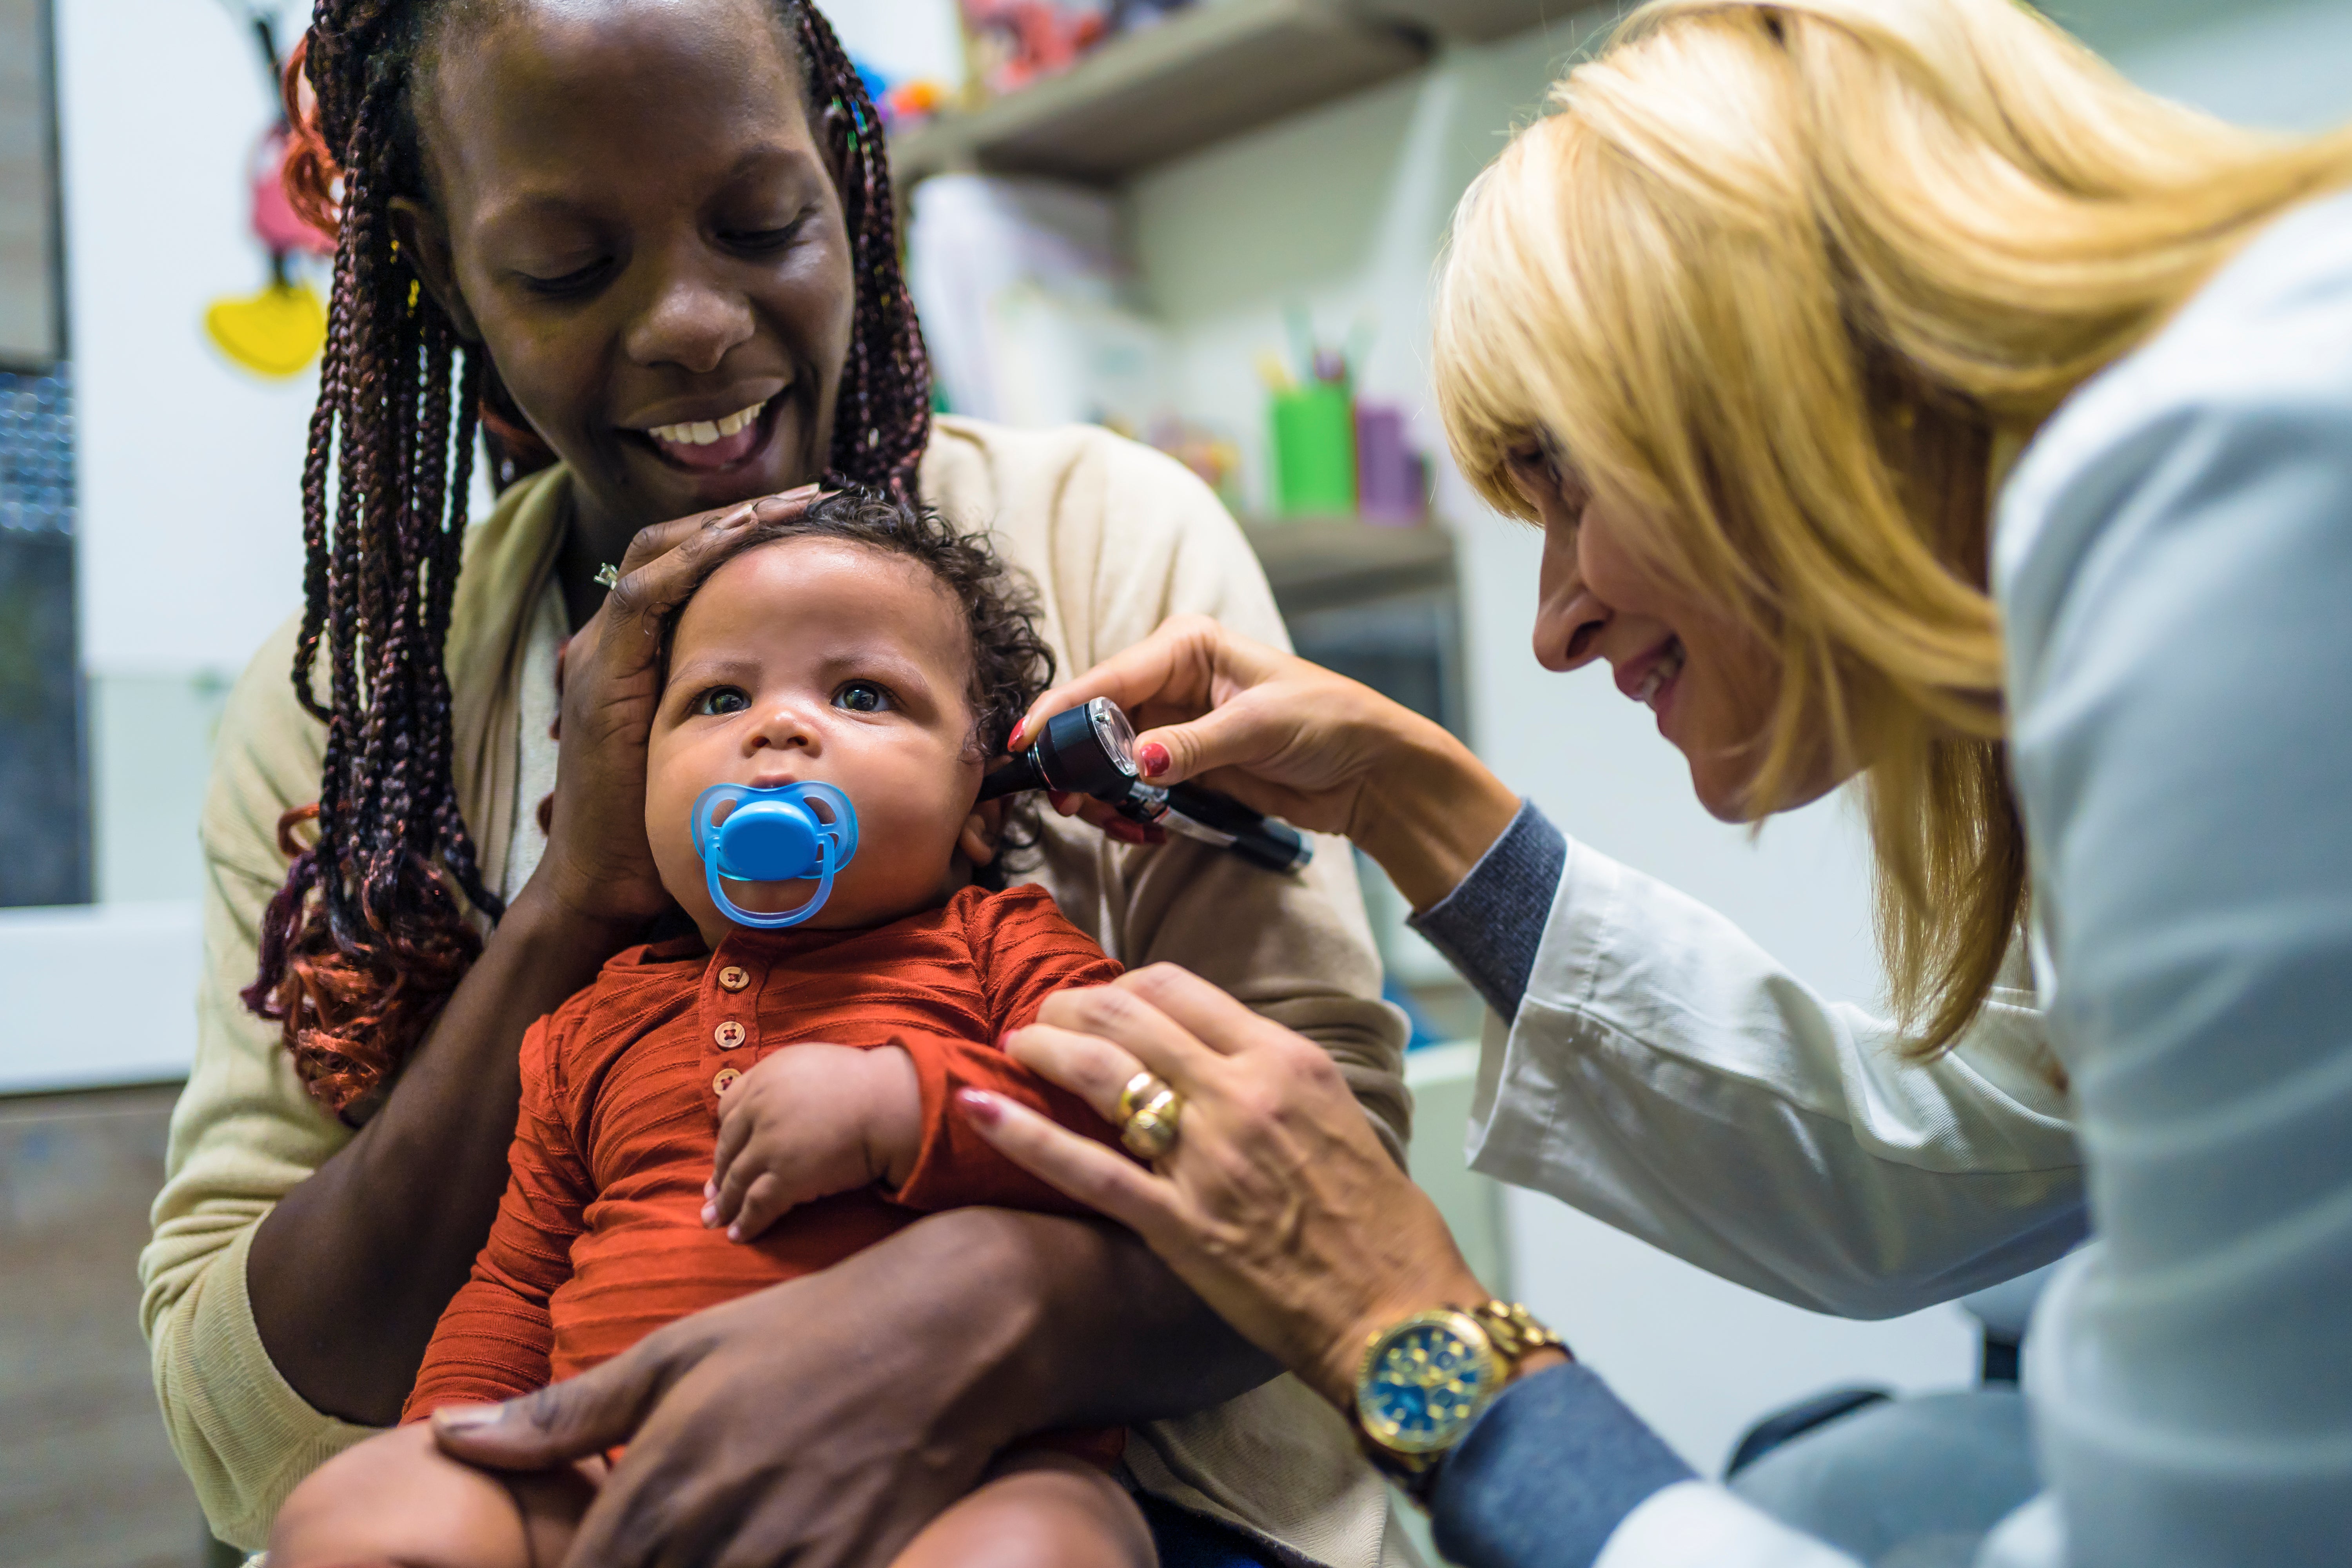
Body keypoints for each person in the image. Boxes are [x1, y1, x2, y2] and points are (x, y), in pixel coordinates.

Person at [957, 2, 2352, 1565]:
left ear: (1774, 353)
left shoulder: (2245, 495)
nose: (1551, 626)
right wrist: (1419, 805)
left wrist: (1417, 1337)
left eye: (1564, 480)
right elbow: (1961, 1159)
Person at [138, 1, 1410, 1562]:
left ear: (847, 175)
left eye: (761, 222)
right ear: (446, 269)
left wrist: (967, 1312)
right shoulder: (340, 710)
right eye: (566, 266)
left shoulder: (1106, 543)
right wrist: (570, 908)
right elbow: (245, 1417)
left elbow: (1334, 1187)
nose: (691, 320)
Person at [270, 493, 1158, 1568]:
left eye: (863, 693)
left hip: (952, 1473)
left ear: (979, 808)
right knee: (361, 1512)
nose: (776, 725)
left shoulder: (1002, 950)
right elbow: (513, 1286)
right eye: (719, 697)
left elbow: (1136, 1123)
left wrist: (900, 1105)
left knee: (1049, 1541)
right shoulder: (593, 1025)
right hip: (620, 1480)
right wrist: (456, 1438)